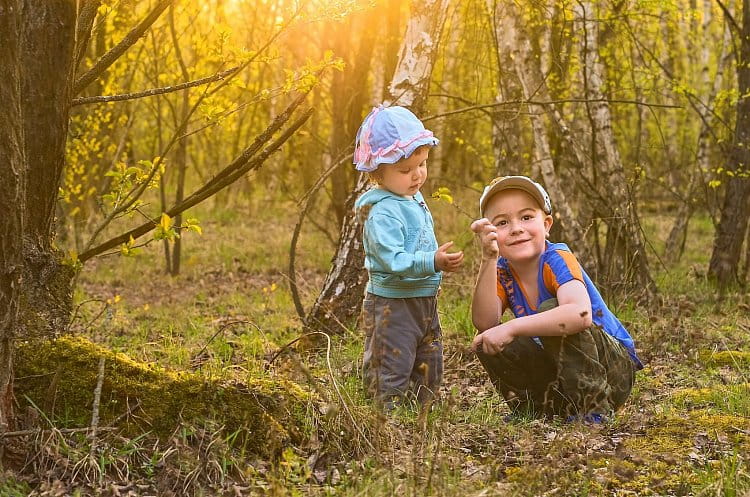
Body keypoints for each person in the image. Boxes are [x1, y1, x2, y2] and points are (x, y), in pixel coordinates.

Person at [470, 175, 643, 422]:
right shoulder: (502, 270)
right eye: (502, 222)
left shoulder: (556, 257)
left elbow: (580, 315)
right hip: (563, 372)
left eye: (527, 217)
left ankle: (593, 409)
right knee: (485, 340)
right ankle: (535, 409)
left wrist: (513, 327)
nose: (517, 228)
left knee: (554, 309)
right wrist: (488, 259)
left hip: (611, 370)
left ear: (547, 224)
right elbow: (485, 322)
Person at [353, 104, 463, 410]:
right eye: (405, 170)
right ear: (378, 172)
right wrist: (433, 262)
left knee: (429, 361)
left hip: (423, 298)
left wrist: (437, 263)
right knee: (391, 362)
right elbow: (395, 261)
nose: (417, 176)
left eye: (422, 164)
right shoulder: (382, 213)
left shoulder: (411, 196)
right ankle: (383, 420)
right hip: (392, 303)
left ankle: (421, 415)